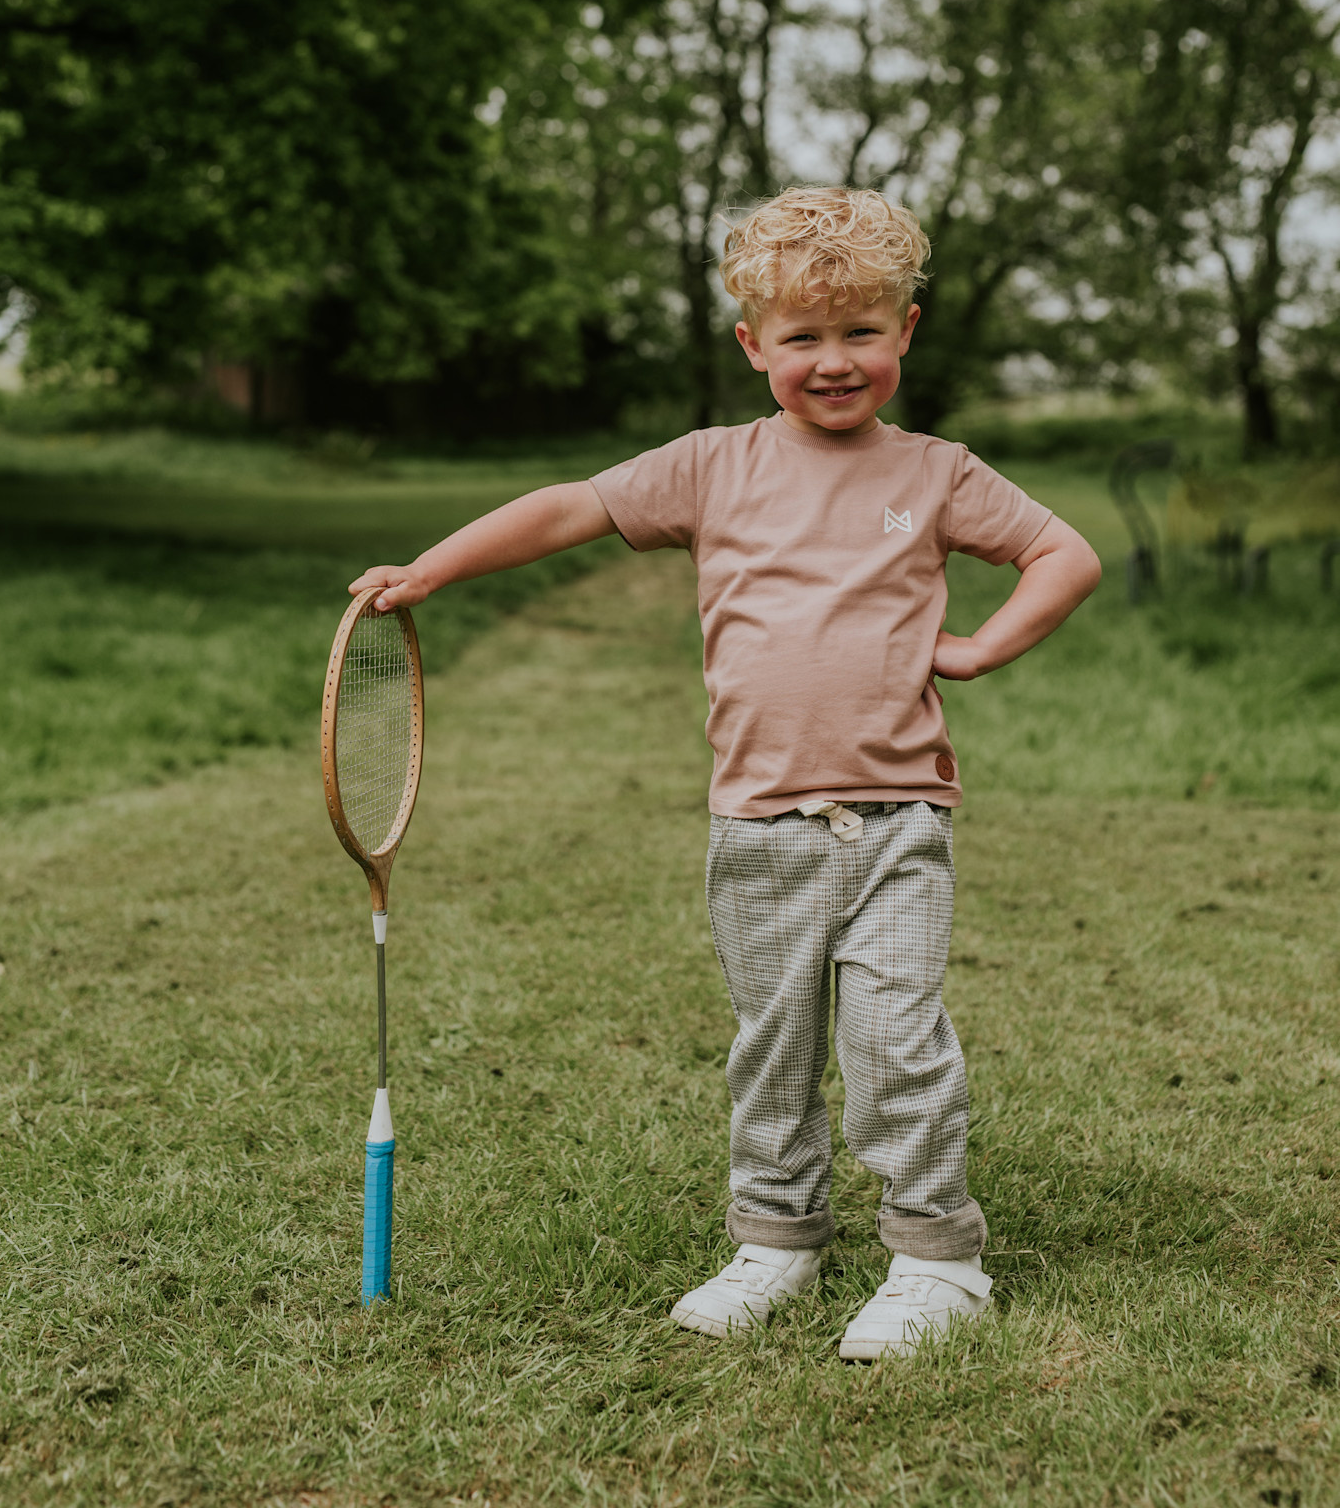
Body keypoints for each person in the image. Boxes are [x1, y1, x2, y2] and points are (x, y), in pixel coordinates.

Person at [350, 186, 1101, 1360]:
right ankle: (778, 1236)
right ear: (753, 344)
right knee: (773, 1040)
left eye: (861, 330)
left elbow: (1064, 549)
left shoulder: (939, 472)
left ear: (906, 329)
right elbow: (571, 506)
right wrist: (432, 569)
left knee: (893, 1039)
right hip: (754, 820)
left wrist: (979, 645)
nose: (834, 359)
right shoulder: (709, 467)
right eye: (802, 335)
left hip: (897, 814)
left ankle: (934, 1257)